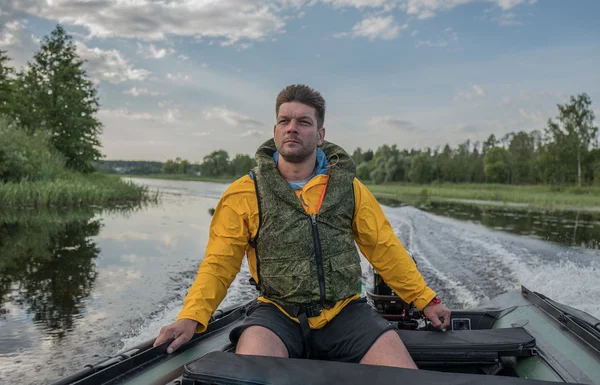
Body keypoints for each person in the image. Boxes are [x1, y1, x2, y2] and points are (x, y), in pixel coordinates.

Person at [153, 84, 451, 368]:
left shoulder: (350, 188)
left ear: (320, 135)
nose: (292, 127)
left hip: (345, 311)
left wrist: (426, 300)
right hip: (277, 313)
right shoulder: (243, 193)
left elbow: (385, 249)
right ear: (275, 131)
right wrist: (191, 316)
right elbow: (219, 264)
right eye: (284, 120)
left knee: (404, 374)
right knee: (250, 375)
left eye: (303, 122)